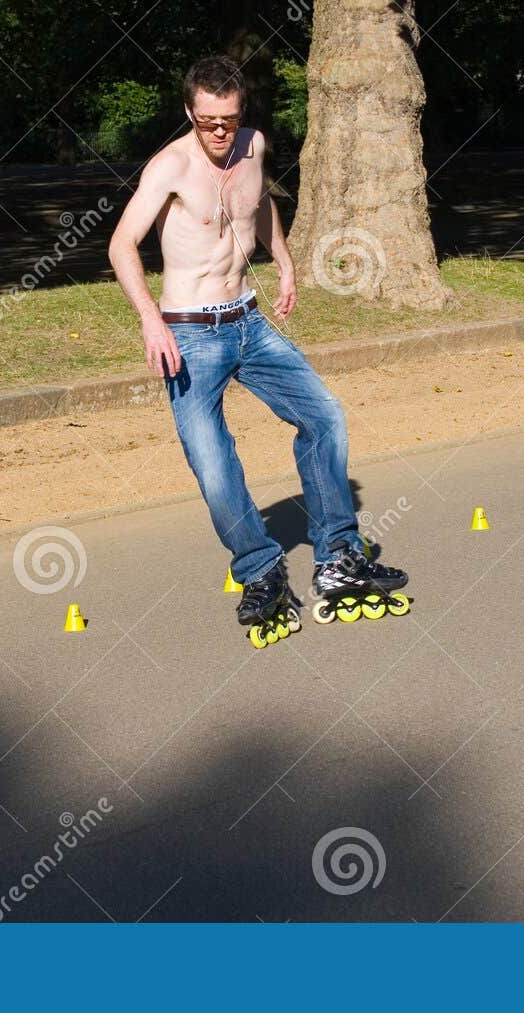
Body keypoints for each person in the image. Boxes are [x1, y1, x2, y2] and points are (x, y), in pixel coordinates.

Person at [106, 56, 408, 648]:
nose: (220, 132)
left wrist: (286, 260)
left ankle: (339, 557)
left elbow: (258, 204)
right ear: (190, 112)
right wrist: (151, 321)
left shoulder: (253, 145)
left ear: (242, 112)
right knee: (213, 460)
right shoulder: (169, 166)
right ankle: (260, 568)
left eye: (229, 119)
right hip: (189, 332)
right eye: (207, 121)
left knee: (324, 416)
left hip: (249, 320)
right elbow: (122, 245)